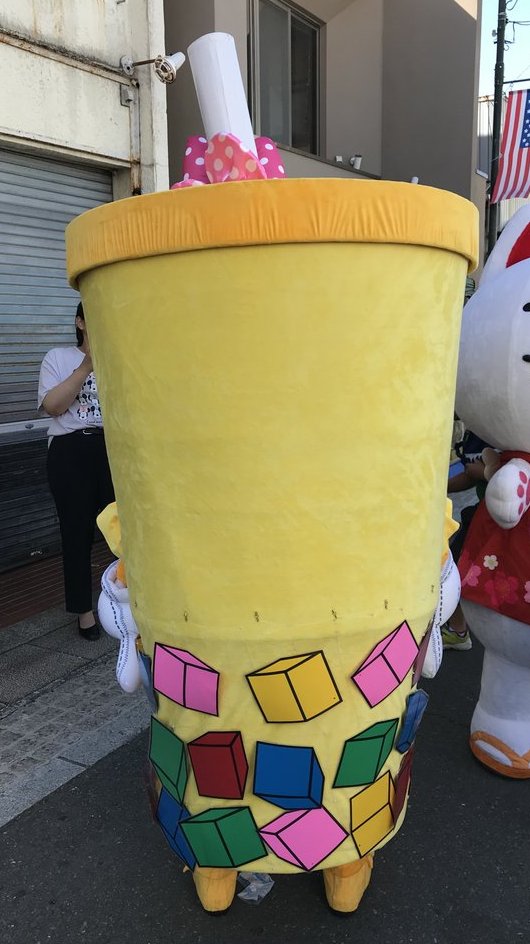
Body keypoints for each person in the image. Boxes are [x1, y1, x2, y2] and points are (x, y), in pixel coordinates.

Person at [37, 302, 115, 640]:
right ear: (80, 322)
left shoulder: (119, 360)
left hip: (113, 449)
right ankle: (84, 612)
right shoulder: (58, 357)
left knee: (124, 529)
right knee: (76, 532)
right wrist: (87, 365)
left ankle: (127, 602)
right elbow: (53, 406)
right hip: (71, 450)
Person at [443, 428, 490, 650]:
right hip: (485, 514)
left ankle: (459, 630)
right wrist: (439, 487)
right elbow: (470, 475)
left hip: (515, 519)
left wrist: (487, 472)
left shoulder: (511, 431)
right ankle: (458, 629)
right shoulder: (478, 432)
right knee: (457, 564)